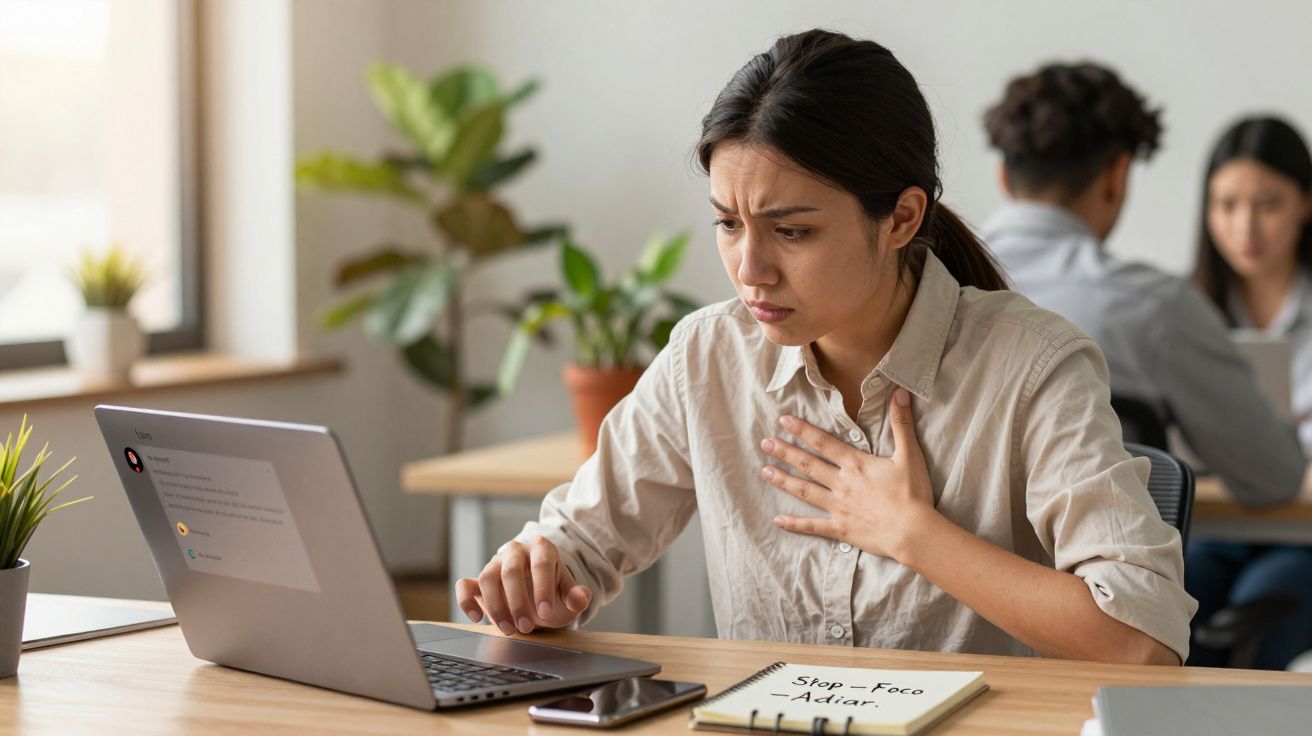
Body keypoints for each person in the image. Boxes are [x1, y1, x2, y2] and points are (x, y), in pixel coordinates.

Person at [456, 30, 1193, 665]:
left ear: (902, 217)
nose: (750, 269)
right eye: (728, 224)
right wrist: (536, 577)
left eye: (792, 231)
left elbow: (1142, 639)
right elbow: (580, 544)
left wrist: (914, 534)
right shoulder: (707, 357)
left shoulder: (1032, 366)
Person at [981, 63, 1304, 513]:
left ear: (1003, 176)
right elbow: (1274, 477)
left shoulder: (920, 278)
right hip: (1095, 576)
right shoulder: (1156, 308)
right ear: (1117, 176)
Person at [1187, 115, 1312, 670]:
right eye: (1226, 205)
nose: (1245, 227)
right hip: (1216, 525)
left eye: (1267, 204)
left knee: (1257, 614)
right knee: (1173, 610)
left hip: (1300, 535)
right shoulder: (1182, 311)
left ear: (1305, 202)